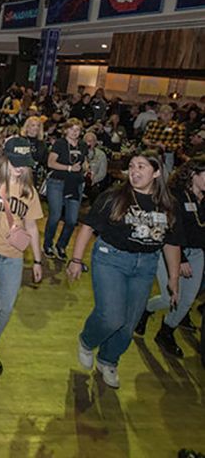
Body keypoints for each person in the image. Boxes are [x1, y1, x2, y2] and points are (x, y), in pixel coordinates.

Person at [67, 151, 182, 388]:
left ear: (156, 172)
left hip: (146, 265)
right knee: (111, 317)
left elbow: (171, 242)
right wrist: (76, 260)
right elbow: (88, 227)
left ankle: (108, 360)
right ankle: (87, 341)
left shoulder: (168, 205)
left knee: (129, 323)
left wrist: (173, 277)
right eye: (131, 166)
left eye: (141, 166)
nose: (134, 171)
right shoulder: (114, 197)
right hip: (111, 259)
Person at [0, 138, 45, 376]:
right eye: (16, 162)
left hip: (14, 257)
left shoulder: (28, 191)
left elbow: (31, 226)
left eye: (25, 163)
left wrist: (37, 260)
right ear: (5, 159)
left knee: (6, 309)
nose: (20, 168)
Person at [135, 156, 204, 357]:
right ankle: (147, 310)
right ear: (194, 174)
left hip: (197, 253)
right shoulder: (175, 196)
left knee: (187, 300)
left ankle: (166, 331)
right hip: (171, 251)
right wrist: (181, 258)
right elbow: (170, 230)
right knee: (169, 298)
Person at [43, 118, 88, 262]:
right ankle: (47, 244)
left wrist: (87, 168)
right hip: (57, 182)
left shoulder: (82, 145)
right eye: (72, 129)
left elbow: (84, 161)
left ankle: (61, 245)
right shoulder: (60, 143)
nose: (75, 132)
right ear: (66, 130)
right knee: (55, 216)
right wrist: (69, 168)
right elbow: (51, 163)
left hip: (75, 183)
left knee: (72, 220)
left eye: (78, 130)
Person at [142, 104, 185, 176]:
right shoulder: (152, 124)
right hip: (151, 152)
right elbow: (145, 138)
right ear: (159, 114)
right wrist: (156, 144)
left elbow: (180, 143)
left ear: (172, 115)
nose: (165, 115)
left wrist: (165, 146)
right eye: (163, 113)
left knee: (166, 175)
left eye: (168, 113)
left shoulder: (178, 127)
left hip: (167, 154)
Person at [20, 116, 47, 187]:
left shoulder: (42, 142)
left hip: (36, 175)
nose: (36, 128)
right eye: (33, 125)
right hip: (22, 174)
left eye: (38, 125)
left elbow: (44, 159)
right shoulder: (20, 140)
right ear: (27, 127)